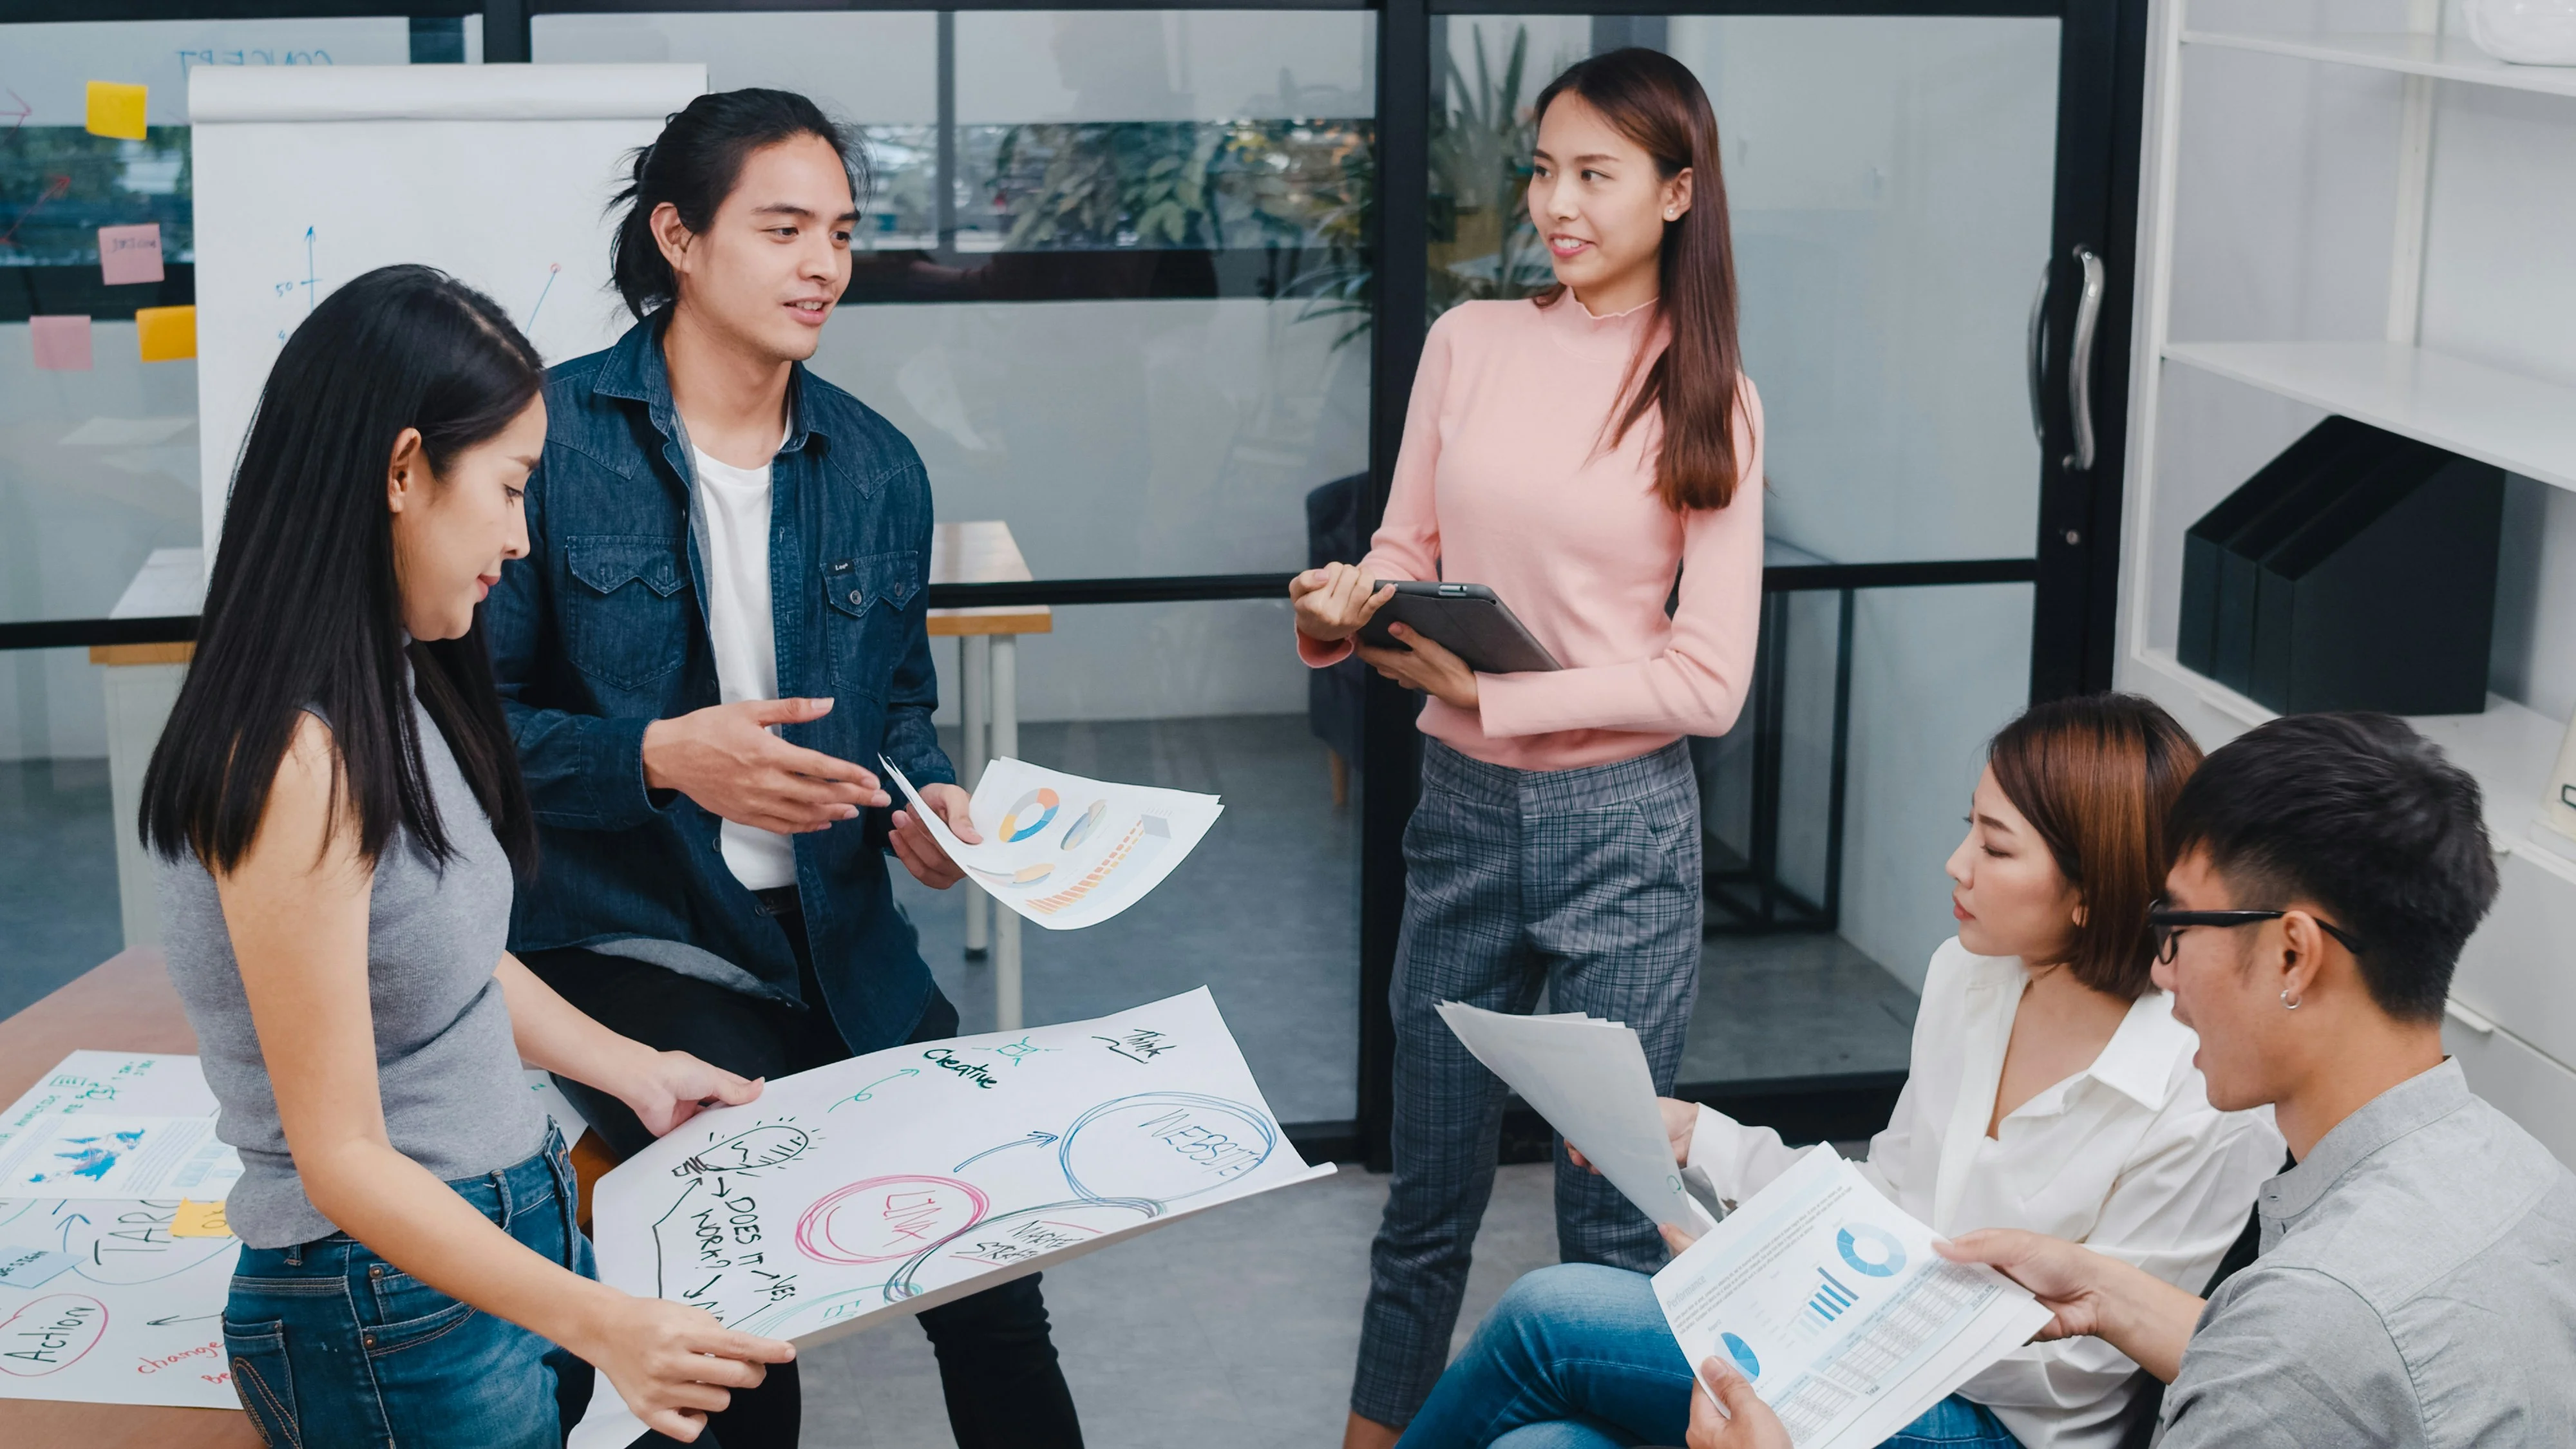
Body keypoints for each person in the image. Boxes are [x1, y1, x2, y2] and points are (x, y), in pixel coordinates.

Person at [482, 90, 1081, 1448]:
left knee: (994, 1275)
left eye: (843, 233)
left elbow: (897, 712)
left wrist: (928, 813)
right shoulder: (549, 443)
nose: (824, 264)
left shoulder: (876, 465)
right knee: (752, 1330)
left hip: (839, 942)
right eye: (784, 228)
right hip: (632, 945)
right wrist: (656, 760)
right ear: (679, 238)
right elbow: (472, 741)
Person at [140, 264, 795, 1448]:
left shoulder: (397, 680)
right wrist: (603, 1322)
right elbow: (341, 1159)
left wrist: (637, 1068)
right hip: (387, 1293)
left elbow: (440, 955)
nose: (519, 535)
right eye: (506, 488)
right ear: (402, 471)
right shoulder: (296, 753)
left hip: (482, 1250)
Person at [1395, 693, 2284, 1449]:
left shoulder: (2199, 1085)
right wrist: (1699, 1138)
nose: (1956, 864)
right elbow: (1885, 1206)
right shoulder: (1969, 976)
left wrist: (1795, 1307)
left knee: (1550, 1313)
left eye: (1996, 846)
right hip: (1865, 1350)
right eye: (1966, 827)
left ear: (2094, 890)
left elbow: (2087, 1362)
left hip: (1995, 1423)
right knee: (1539, 1442)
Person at [1290, 48, 1766, 1447]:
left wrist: (1492, 696)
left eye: (1593, 175)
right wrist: (1334, 611)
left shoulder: (1709, 395)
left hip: (1621, 833)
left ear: (1676, 193)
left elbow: (1707, 681)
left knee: (1608, 1225)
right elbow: (1400, 549)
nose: (1554, 203)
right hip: (1457, 821)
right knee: (1420, 1199)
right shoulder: (1470, 340)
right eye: (1542, 169)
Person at [1706, 713, 2576, 1449]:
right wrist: (2109, 1291)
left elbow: (2305, 1354)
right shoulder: (2535, 1186)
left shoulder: (2293, 1338)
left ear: (2292, 954)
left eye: (2177, 923)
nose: (2161, 972)